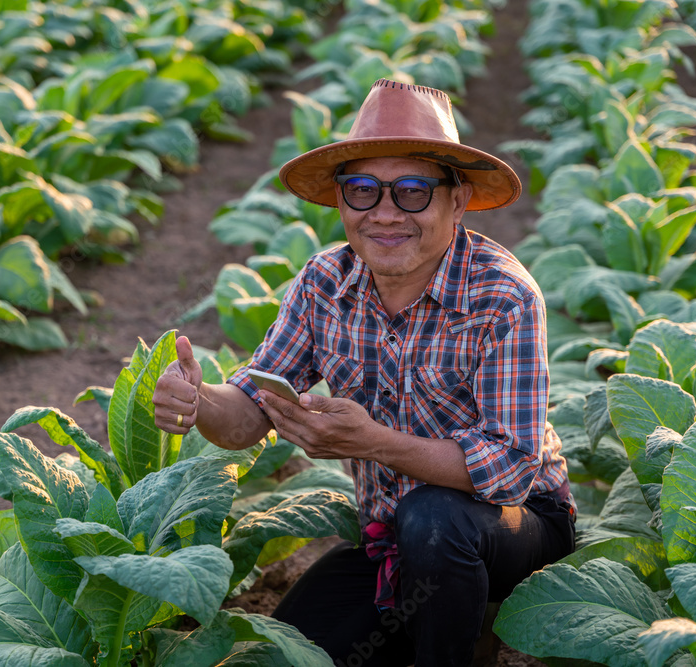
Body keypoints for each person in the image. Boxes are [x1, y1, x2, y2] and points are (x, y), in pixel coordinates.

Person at [152, 79, 575, 666]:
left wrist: (374, 443)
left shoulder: (503, 297)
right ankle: (433, 615)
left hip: (517, 530)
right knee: (290, 652)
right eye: (362, 190)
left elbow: (509, 472)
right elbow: (248, 414)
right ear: (341, 201)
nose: (384, 214)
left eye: (411, 192)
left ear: (458, 201)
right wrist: (200, 400)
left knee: (434, 518)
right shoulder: (325, 283)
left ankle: (468, 640)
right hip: (396, 542)